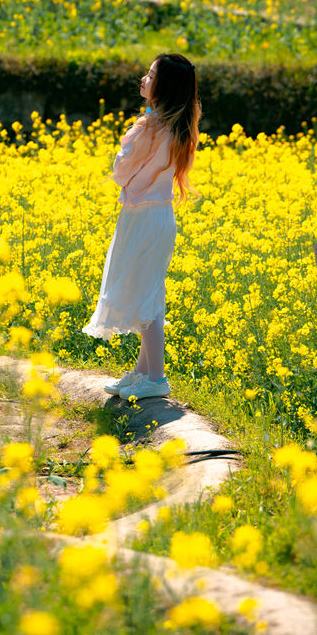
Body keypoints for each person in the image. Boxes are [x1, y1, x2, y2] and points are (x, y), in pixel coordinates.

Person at [82, 53, 201, 400]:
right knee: (146, 292)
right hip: (154, 217)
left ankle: (156, 378)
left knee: (147, 295)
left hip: (145, 218)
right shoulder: (174, 126)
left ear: (162, 88)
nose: (143, 79)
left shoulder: (152, 129)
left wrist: (136, 131)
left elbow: (121, 170)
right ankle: (143, 372)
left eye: (150, 76)